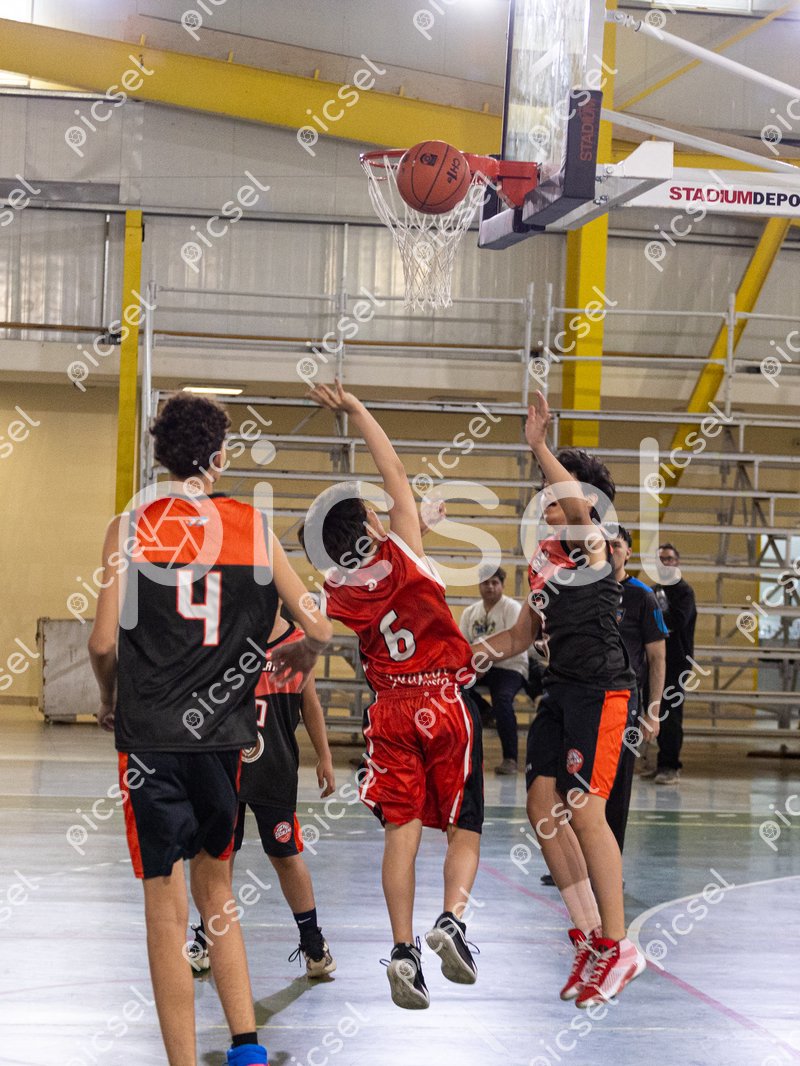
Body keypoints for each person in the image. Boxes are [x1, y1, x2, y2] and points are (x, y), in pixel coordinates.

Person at [88, 393, 332, 1066]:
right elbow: (318, 627)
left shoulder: (128, 527)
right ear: (219, 458)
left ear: (160, 456)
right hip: (225, 740)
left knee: (165, 911)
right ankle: (247, 1047)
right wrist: (302, 654)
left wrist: (109, 698)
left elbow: (103, 642)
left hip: (151, 740)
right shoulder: (253, 527)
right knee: (217, 892)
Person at [300, 380, 483, 1012]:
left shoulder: (336, 590)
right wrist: (356, 409)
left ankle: (403, 950)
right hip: (443, 701)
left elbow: (308, 624)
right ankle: (451, 920)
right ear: (373, 522)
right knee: (464, 825)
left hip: (390, 712)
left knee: (400, 835)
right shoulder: (404, 547)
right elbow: (394, 470)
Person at [472, 391, 649, 1009]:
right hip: (562, 687)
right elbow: (520, 637)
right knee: (542, 804)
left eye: (554, 489)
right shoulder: (543, 558)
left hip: (603, 687)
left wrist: (539, 445)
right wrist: (459, 653)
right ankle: (590, 935)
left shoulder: (592, 537)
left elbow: (575, 502)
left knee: (585, 809)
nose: (545, 497)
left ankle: (621, 946)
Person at [187, 606, 337, 980]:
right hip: (226, 764)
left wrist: (325, 757)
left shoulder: (298, 643)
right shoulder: (229, 635)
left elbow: (310, 703)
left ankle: (313, 944)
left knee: (285, 855)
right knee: (220, 855)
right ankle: (207, 938)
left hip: (275, 768)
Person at [606, 526, 667, 849]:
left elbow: (657, 658)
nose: (610, 550)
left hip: (625, 701)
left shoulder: (642, 596)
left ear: (628, 552)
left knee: (617, 785)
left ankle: (609, 862)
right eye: (604, 544)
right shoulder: (585, 590)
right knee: (578, 782)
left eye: (616, 545)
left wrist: (652, 713)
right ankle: (573, 865)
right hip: (585, 698)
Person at [459, 566, 528, 775]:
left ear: (502, 585)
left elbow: (516, 644)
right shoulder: (470, 612)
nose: (490, 587)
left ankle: (510, 758)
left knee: (503, 699)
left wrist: (486, 661)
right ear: (479, 586)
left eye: (494, 582)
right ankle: (486, 711)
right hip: (481, 666)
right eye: (485, 583)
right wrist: (474, 665)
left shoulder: (512, 608)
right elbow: (463, 646)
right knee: (455, 687)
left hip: (510, 665)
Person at [648, 542, 697, 785]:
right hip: (655, 661)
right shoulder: (653, 590)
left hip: (677, 662)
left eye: (669, 558)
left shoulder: (684, 591)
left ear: (677, 562)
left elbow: (677, 619)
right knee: (655, 711)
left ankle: (670, 765)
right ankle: (661, 763)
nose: (665, 563)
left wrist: (653, 619)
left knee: (671, 714)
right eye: (661, 559)